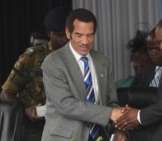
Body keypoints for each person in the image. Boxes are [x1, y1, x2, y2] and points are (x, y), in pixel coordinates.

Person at [40, 8, 127, 141]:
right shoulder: (53, 62)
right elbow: (66, 104)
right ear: (68, 33)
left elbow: (111, 102)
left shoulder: (103, 61)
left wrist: (117, 129)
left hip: (99, 136)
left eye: (90, 35)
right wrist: (109, 114)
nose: (85, 42)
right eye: (79, 35)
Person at [0, 7, 71, 141]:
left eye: (68, 35)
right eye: (60, 35)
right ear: (49, 33)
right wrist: (26, 109)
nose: (65, 40)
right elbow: (5, 94)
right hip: (35, 131)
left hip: (65, 129)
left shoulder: (77, 58)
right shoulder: (33, 57)